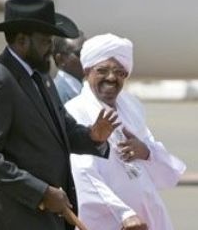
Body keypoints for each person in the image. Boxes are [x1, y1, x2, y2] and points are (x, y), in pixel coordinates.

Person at [0, 0, 120, 230]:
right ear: (21, 40)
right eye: (46, 41)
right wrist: (40, 193)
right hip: (20, 214)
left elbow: (63, 129)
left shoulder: (41, 76)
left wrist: (93, 137)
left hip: (51, 212)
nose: (51, 48)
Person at [65, 33, 186, 230]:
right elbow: (82, 173)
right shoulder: (74, 111)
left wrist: (144, 151)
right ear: (87, 72)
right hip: (107, 221)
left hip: (146, 216)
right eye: (102, 70)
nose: (111, 78)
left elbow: (158, 158)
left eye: (120, 72)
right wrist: (124, 214)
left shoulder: (130, 107)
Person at [52, 30, 86, 103]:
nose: (86, 57)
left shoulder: (84, 89)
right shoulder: (57, 93)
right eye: (80, 53)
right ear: (60, 59)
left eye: (88, 52)